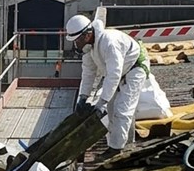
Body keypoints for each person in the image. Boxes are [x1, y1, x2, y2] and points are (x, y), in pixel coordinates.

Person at [66, 14, 153, 155]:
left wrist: (102, 102)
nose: (77, 44)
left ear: (87, 35)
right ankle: (118, 143)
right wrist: (83, 97)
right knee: (111, 110)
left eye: (77, 40)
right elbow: (88, 73)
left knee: (123, 110)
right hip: (119, 71)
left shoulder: (109, 42)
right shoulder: (89, 49)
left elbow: (114, 74)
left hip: (135, 68)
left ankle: (117, 149)